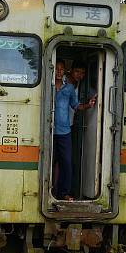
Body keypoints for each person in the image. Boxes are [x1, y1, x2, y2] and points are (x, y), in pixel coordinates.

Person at [52, 59, 97, 200]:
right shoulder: (48, 85)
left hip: (65, 131)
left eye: (61, 69)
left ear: (65, 70)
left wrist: (88, 106)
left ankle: (63, 192)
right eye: (56, 68)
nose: (59, 71)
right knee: (49, 161)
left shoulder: (69, 88)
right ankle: (51, 191)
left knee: (66, 162)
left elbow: (75, 105)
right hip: (49, 130)